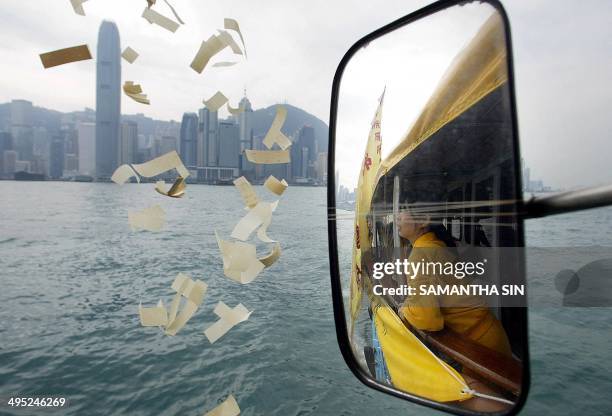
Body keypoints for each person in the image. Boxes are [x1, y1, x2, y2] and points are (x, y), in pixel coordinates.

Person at [395, 202, 513, 412]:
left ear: (423, 222)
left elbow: (426, 319)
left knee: (495, 405)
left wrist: (404, 310)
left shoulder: (422, 254)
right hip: (487, 338)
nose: (397, 217)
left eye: (402, 211)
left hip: (478, 347)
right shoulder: (433, 247)